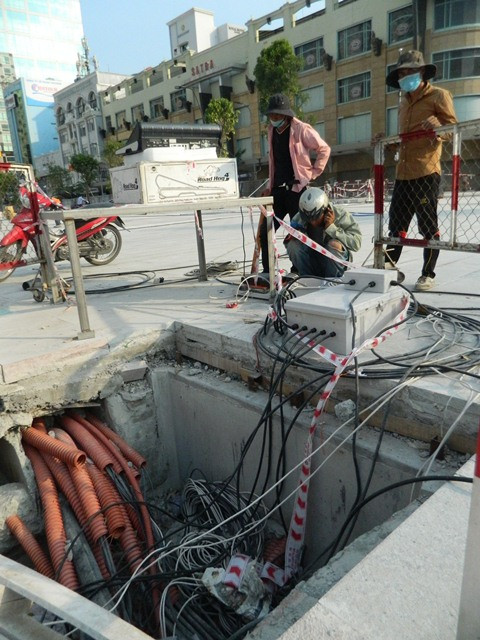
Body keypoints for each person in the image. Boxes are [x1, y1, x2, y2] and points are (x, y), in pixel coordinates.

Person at [384, 50, 457, 291]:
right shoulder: (403, 102)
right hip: (403, 172)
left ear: (422, 72)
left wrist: (439, 126)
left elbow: (453, 129)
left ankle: (427, 273)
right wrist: (388, 142)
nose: (405, 77)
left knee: (427, 225)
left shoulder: (439, 96)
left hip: (426, 171)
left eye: (410, 71)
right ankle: (388, 266)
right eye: (401, 73)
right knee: (396, 224)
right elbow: (403, 138)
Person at [259, 93, 331, 277]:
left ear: (285, 115)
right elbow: (274, 161)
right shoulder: (271, 130)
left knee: (299, 232)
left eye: (277, 115)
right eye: (271, 115)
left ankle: (298, 270)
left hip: (296, 190)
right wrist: (270, 185)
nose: (274, 118)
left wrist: (313, 173)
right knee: (265, 231)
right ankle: (269, 272)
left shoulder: (300, 129)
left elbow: (324, 149)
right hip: (277, 190)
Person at [284, 187, 361, 278]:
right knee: (293, 244)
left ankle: (334, 280)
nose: (313, 222)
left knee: (334, 245)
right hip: (311, 262)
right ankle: (307, 278)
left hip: (336, 266)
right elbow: (291, 248)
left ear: (326, 210)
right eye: (308, 219)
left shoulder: (341, 215)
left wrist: (332, 229)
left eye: (316, 218)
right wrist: (293, 236)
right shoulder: (299, 218)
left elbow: (356, 244)